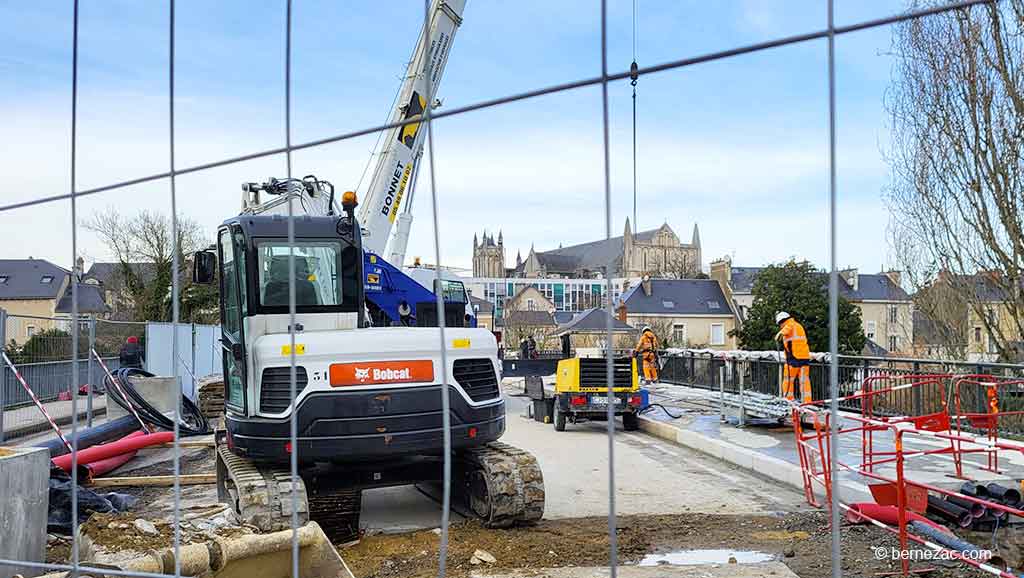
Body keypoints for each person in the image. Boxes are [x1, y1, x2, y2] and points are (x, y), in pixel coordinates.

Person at [774, 311, 811, 403]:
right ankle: (807, 402)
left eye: (780, 324)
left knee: (788, 380)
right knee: (804, 381)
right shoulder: (798, 326)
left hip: (794, 359)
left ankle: (788, 400)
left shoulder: (789, 325)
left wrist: (779, 334)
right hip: (804, 357)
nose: (780, 326)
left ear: (781, 321)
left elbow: (787, 329)